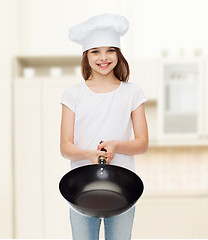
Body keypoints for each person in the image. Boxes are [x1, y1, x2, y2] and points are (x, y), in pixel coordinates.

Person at [60, 13, 149, 240]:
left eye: (110, 50)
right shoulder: (73, 94)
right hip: (82, 188)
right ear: (86, 55)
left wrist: (116, 145)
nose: (103, 58)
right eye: (95, 51)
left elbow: (142, 144)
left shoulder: (132, 92)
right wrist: (89, 153)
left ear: (118, 54)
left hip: (122, 189)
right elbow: (65, 147)